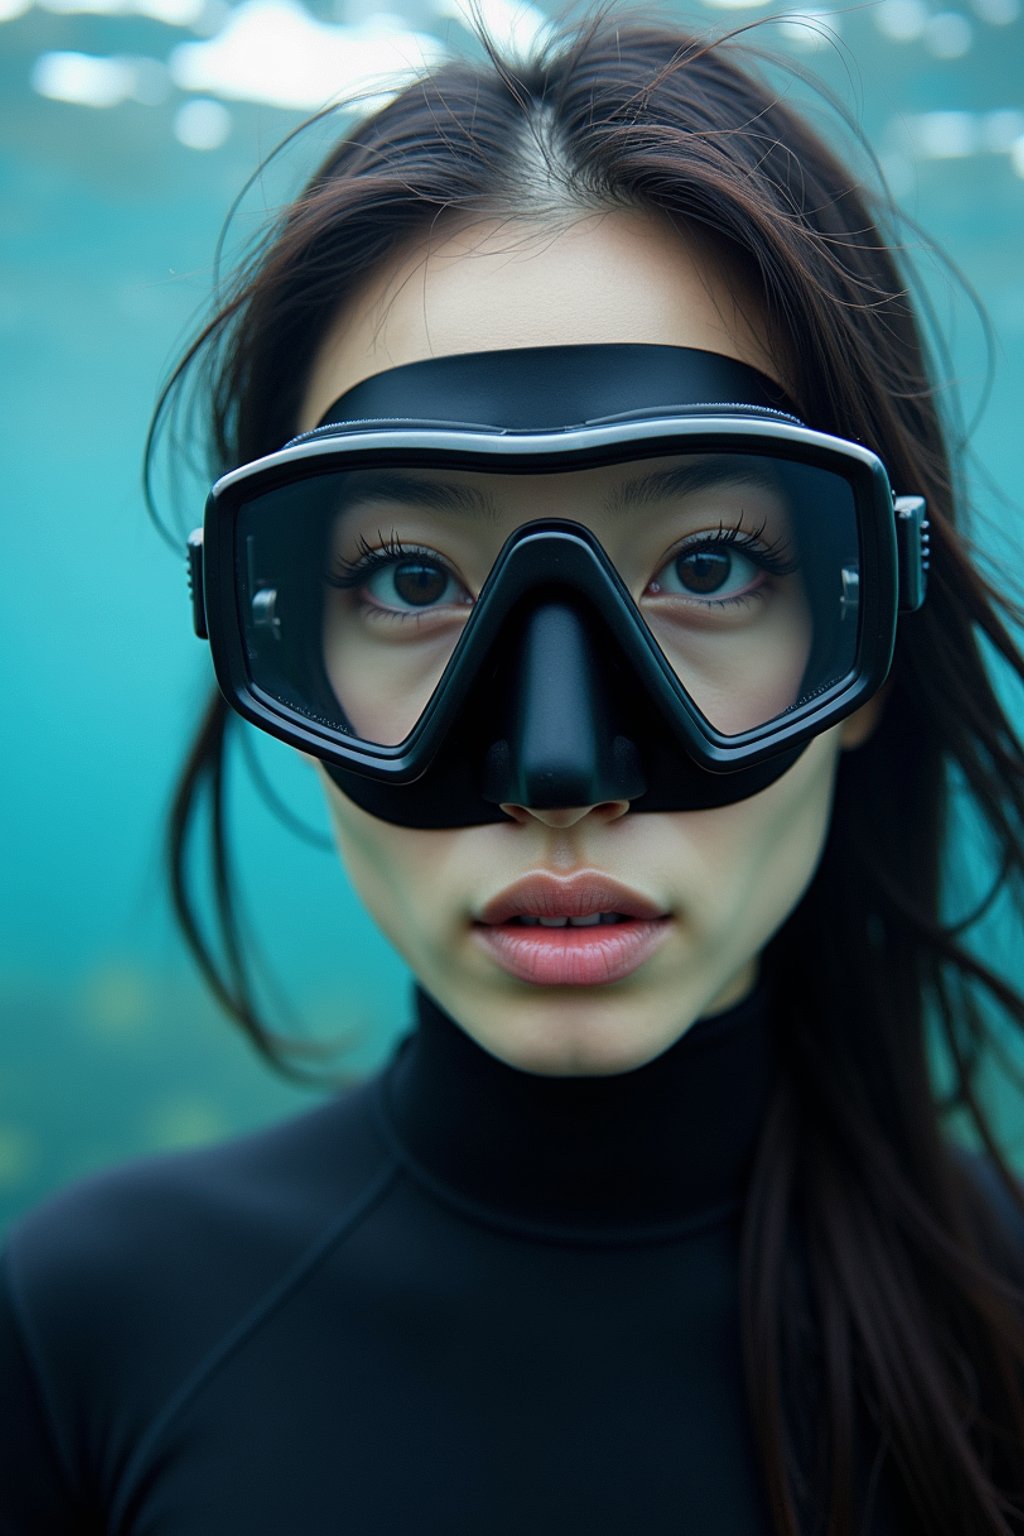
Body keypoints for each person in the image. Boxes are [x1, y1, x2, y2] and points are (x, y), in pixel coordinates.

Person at [3, 14, 1024, 1534]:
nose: (559, 775)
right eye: (409, 576)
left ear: (865, 635)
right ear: (270, 638)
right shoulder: (70, 1330)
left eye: (711, 562)